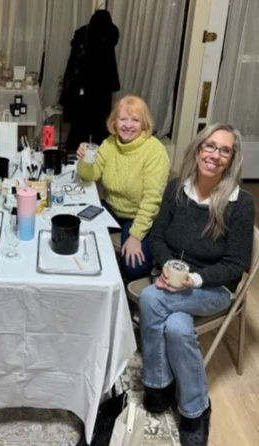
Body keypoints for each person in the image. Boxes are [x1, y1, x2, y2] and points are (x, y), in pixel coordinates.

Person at [140, 124, 255, 446]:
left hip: (214, 288)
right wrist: (167, 269)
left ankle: (157, 386)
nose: (215, 155)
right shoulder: (178, 189)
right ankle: (196, 410)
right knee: (177, 327)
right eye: (210, 146)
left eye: (224, 150)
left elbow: (235, 265)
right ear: (198, 149)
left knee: (150, 299)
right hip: (171, 278)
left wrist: (194, 279)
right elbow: (158, 236)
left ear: (232, 160)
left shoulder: (240, 203)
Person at [76, 95, 170, 280]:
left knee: (135, 267)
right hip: (112, 208)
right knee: (76, 228)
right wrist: (84, 159)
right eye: (123, 119)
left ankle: (118, 278)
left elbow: (152, 201)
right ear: (114, 122)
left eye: (135, 120)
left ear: (144, 124)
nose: (128, 125)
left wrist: (135, 237)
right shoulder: (110, 143)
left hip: (138, 215)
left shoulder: (155, 151)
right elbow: (90, 175)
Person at [60, 9, 120, 151]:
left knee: (80, 130)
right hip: (98, 94)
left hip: (82, 93)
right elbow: (109, 70)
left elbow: (74, 68)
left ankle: (76, 159)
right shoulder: (104, 38)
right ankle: (96, 160)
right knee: (96, 129)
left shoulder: (85, 37)